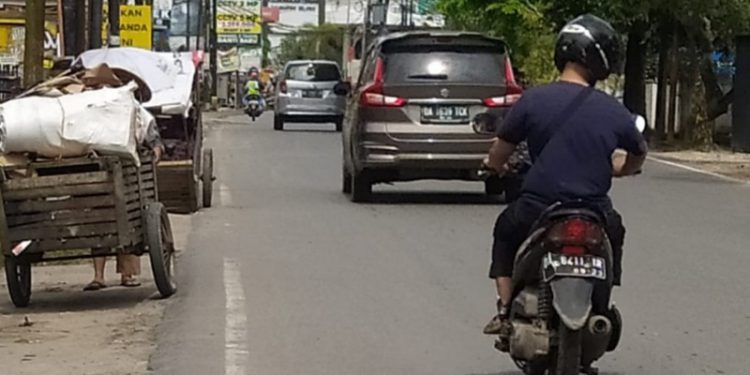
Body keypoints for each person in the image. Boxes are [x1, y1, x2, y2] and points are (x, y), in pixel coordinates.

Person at [481, 14, 648, 335]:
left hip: (538, 207)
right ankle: (602, 303)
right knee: (615, 232)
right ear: (600, 60)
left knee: (505, 230)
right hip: (593, 211)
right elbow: (638, 153)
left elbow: (501, 149)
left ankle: (504, 311)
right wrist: (623, 169)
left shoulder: (533, 100)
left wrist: (495, 166)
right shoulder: (613, 109)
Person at [84, 109, 165, 291]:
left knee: (130, 220)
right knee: (99, 224)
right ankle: (98, 276)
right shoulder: (89, 110)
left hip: (128, 171)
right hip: (99, 174)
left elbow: (153, 139)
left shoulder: (137, 112)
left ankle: (127, 274)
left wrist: (154, 152)